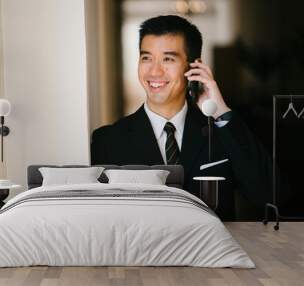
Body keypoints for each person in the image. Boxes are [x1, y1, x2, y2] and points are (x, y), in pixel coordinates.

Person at [90, 15, 272, 220]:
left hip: (210, 250)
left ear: (194, 66)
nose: (154, 71)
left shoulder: (221, 131)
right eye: (146, 58)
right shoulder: (107, 140)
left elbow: (268, 195)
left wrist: (220, 110)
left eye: (168, 58)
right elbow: (104, 220)